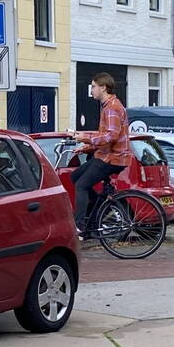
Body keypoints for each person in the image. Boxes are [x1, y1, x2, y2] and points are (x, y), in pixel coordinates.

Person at [65, 72, 133, 235]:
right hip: (105, 155)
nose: (91, 90)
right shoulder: (108, 106)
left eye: (94, 87)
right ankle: (94, 217)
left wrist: (86, 139)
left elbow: (111, 136)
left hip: (114, 158)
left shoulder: (112, 107)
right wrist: (86, 147)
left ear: (103, 88)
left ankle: (79, 226)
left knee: (82, 185)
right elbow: (104, 136)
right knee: (75, 177)